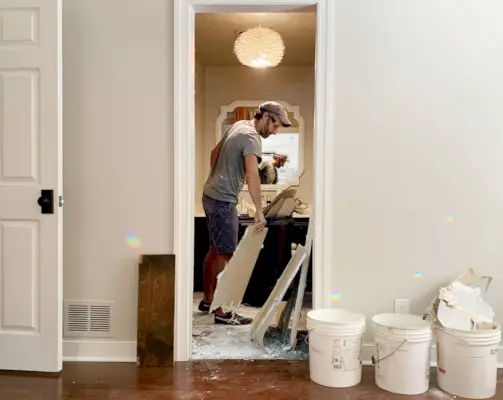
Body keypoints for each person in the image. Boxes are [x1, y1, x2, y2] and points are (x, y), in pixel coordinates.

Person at [199, 101, 292, 325]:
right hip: (223, 200)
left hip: (210, 194)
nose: (275, 131)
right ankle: (222, 311)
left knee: (216, 249)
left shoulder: (239, 125)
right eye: (275, 125)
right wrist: (259, 211)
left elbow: (215, 153)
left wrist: (220, 175)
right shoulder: (252, 138)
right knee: (227, 254)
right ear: (266, 117)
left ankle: (208, 299)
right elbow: (251, 176)